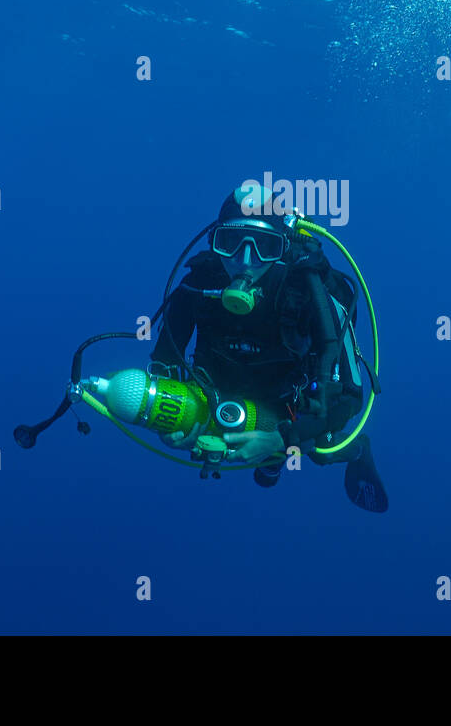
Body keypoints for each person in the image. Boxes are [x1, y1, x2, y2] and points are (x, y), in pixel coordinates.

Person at [150, 184, 387, 513]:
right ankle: (270, 457)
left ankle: (353, 451)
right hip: (216, 394)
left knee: (320, 448)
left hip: (286, 409)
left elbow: (350, 396)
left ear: (283, 248)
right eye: (231, 243)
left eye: (264, 246)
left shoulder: (309, 291)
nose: (245, 262)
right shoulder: (197, 284)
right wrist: (167, 418)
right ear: (215, 242)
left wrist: (282, 439)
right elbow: (164, 364)